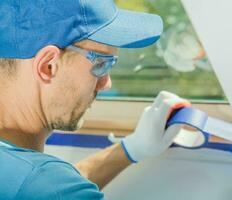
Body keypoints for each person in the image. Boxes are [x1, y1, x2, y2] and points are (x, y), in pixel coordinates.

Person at [0, 0, 190, 199]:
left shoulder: (34, 181)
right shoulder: (48, 187)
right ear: (48, 66)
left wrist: (131, 149)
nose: (106, 83)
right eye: (101, 64)